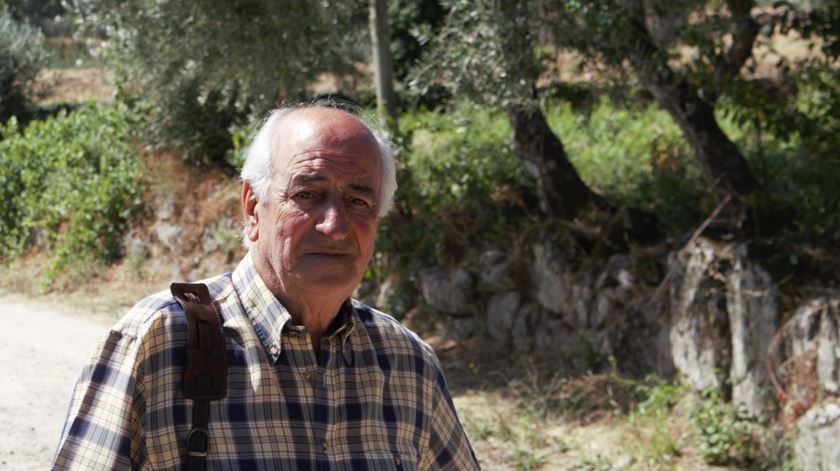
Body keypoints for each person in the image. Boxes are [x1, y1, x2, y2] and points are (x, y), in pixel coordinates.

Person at [52, 104, 480, 470]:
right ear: (253, 208)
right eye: (308, 194)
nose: (335, 226)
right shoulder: (159, 342)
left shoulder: (407, 365)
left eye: (358, 201)